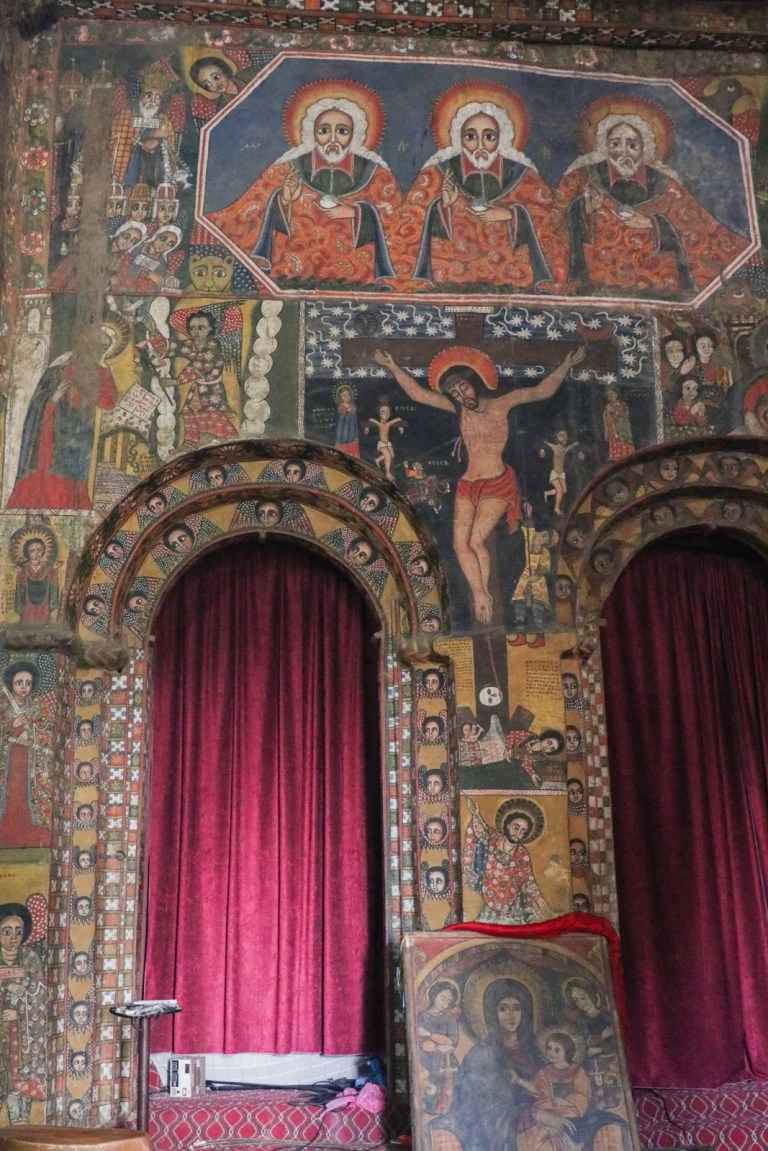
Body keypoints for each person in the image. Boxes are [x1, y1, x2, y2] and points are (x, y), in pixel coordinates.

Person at [374, 344, 585, 625]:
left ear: (475, 382)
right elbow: (418, 394)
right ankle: (479, 594)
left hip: (497, 482)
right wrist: (393, 366)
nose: (463, 396)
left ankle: (485, 594)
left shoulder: (502, 403)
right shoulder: (458, 409)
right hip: (467, 484)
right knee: (459, 544)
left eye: (464, 388)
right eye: (456, 394)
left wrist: (566, 365)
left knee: (476, 540)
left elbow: (541, 391)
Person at [209, 80, 401, 287]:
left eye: (342, 131)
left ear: (355, 135)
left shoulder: (375, 172)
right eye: (324, 130)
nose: (333, 139)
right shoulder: (289, 167)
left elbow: (395, 218)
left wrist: (357, 213)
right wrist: (284, 200)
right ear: (312, 133)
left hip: (358, 270)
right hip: (297, 269)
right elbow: (251, 207)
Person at [555, 96, 748, 297]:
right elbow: (554, 223)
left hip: (657, 279)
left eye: (632, 145)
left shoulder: (666, 185)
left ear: (645, 148)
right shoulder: (585, 177)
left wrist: (654, 224)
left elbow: (696, 228)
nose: (623, 152)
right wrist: (584, 209)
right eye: (615, 144)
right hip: (600, 276)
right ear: (604, 147)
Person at [406, 83, 564, 290]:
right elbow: (411, 220)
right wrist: (444, 206)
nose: (480, 146)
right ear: (458, 139)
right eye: (470, 137)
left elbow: (548, 217)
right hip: (455, 270)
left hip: (510, 271)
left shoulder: (523, 175)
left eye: (489, 137)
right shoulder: (439, 172)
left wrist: (511, 214)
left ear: (501, 139)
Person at [7, 314, 126, 510]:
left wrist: (94, 383)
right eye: (98, 343)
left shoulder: (102, 372)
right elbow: (40, 396)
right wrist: (53, 398)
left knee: (71, 474)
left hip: (79, 430)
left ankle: (67, 506)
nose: (100, 349)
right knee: (46, 466)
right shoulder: (63, 362)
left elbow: (108, 403)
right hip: (52, 423)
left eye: (105, 347)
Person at [430, 977, 542, 1151]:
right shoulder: (482, 1054)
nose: (511, 1016)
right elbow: (480, 1107)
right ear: (491, 1013)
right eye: (503, 1009)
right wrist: (527, 1114)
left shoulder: (538, 1049)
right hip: (501, 1128)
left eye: (517, 1008)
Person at [463, 798, 551, 924]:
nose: (518, 833)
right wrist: (476, 815)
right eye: (516, 827)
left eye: (523, 831)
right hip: (490, 903)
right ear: (508, 825)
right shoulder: (493, 838)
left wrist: (539, 899)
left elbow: (526, 880)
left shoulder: (522, 854)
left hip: (512, 908)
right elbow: (481, 832)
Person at [0, 903, 47, 1124]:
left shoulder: (29, 958)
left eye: (18, 932)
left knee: (19, 1078)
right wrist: (5, 989)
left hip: (22, 1036)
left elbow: (40, 995)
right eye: (6, 932)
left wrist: (18, 1013)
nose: (13, 938)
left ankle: (20, 1124)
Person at [0, 662, 52, 848]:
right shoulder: (4, 709)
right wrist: (12, 726)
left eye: (28, 683)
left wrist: (30, 734)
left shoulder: (36, 710)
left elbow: (45, 731)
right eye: (19, 683)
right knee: (10, 791)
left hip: (29, 760)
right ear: (11, 684)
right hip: (9, 760)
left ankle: (29, 825)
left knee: (27, 791)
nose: (24, 687)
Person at [417, 981, 460, 1114]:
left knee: (448, 1093)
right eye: (442, 998)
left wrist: (429, 1035)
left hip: (446, 1062)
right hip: (426, 1061)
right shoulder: (422, 1016)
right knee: (429, 1092)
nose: (444, 1003)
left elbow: (452, 1042)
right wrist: (436, 1045)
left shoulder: (449, 1018)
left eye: (448, 1001)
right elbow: (421, 1043)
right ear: (434, 994)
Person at [14, 536, 59, 624]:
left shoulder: (47, 567)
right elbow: (21, 587)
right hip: (28, 605)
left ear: (43, 551)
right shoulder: (24, 568)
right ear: (27, 552)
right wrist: (20, 574)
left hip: (44, 604)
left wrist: (54, 570)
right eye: (32, 551)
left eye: (39, 550)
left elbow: (52, 583)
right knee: (27, 623)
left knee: (43, 624)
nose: (36, 553)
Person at [602, 387, 635, 462]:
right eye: (609, 395)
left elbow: (624, 416)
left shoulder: (622, 405)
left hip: (622, 432)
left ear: (616, 394)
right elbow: (605, 418)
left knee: (624, 449)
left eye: (612, 394)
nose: (611, 396)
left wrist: (614, 411)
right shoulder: (608, 406)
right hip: (612, 432)